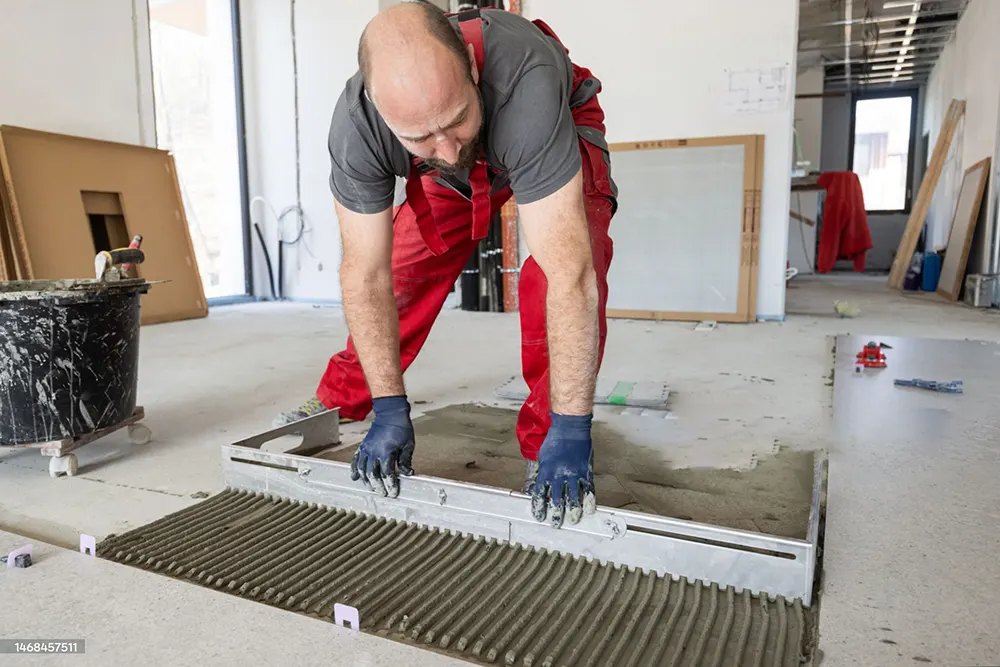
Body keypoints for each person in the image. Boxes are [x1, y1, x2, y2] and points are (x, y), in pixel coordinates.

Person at [274, 0, 617, 528]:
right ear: (380, 111)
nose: (445, 147)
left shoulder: (525, 78)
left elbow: (569, 279)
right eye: (417, 137)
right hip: (465, 140)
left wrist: (573, 427)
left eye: (456, 120)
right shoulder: (359, 126)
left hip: (555, 121)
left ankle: (550, 442)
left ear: (473, 73)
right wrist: (393, 406)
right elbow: (366, 276)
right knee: (406, 272)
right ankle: (346, 399)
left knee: (553, 276)